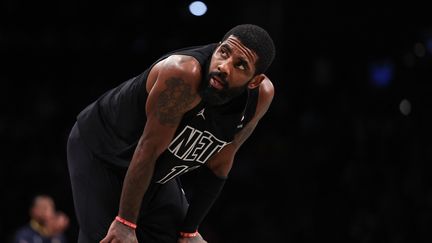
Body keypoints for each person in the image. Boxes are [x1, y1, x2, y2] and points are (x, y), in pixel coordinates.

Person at [66, 23, 276, 243]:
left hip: (153, 165)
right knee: (113, 239)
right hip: (103, 150)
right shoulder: (183, 74)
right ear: (217, 47)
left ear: (255, 81)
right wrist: (125, 223)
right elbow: (147, 150)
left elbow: (220, 163)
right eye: (223, 52)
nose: (224, 66)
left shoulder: (260, 97)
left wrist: (190, 231)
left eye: (240, 65)